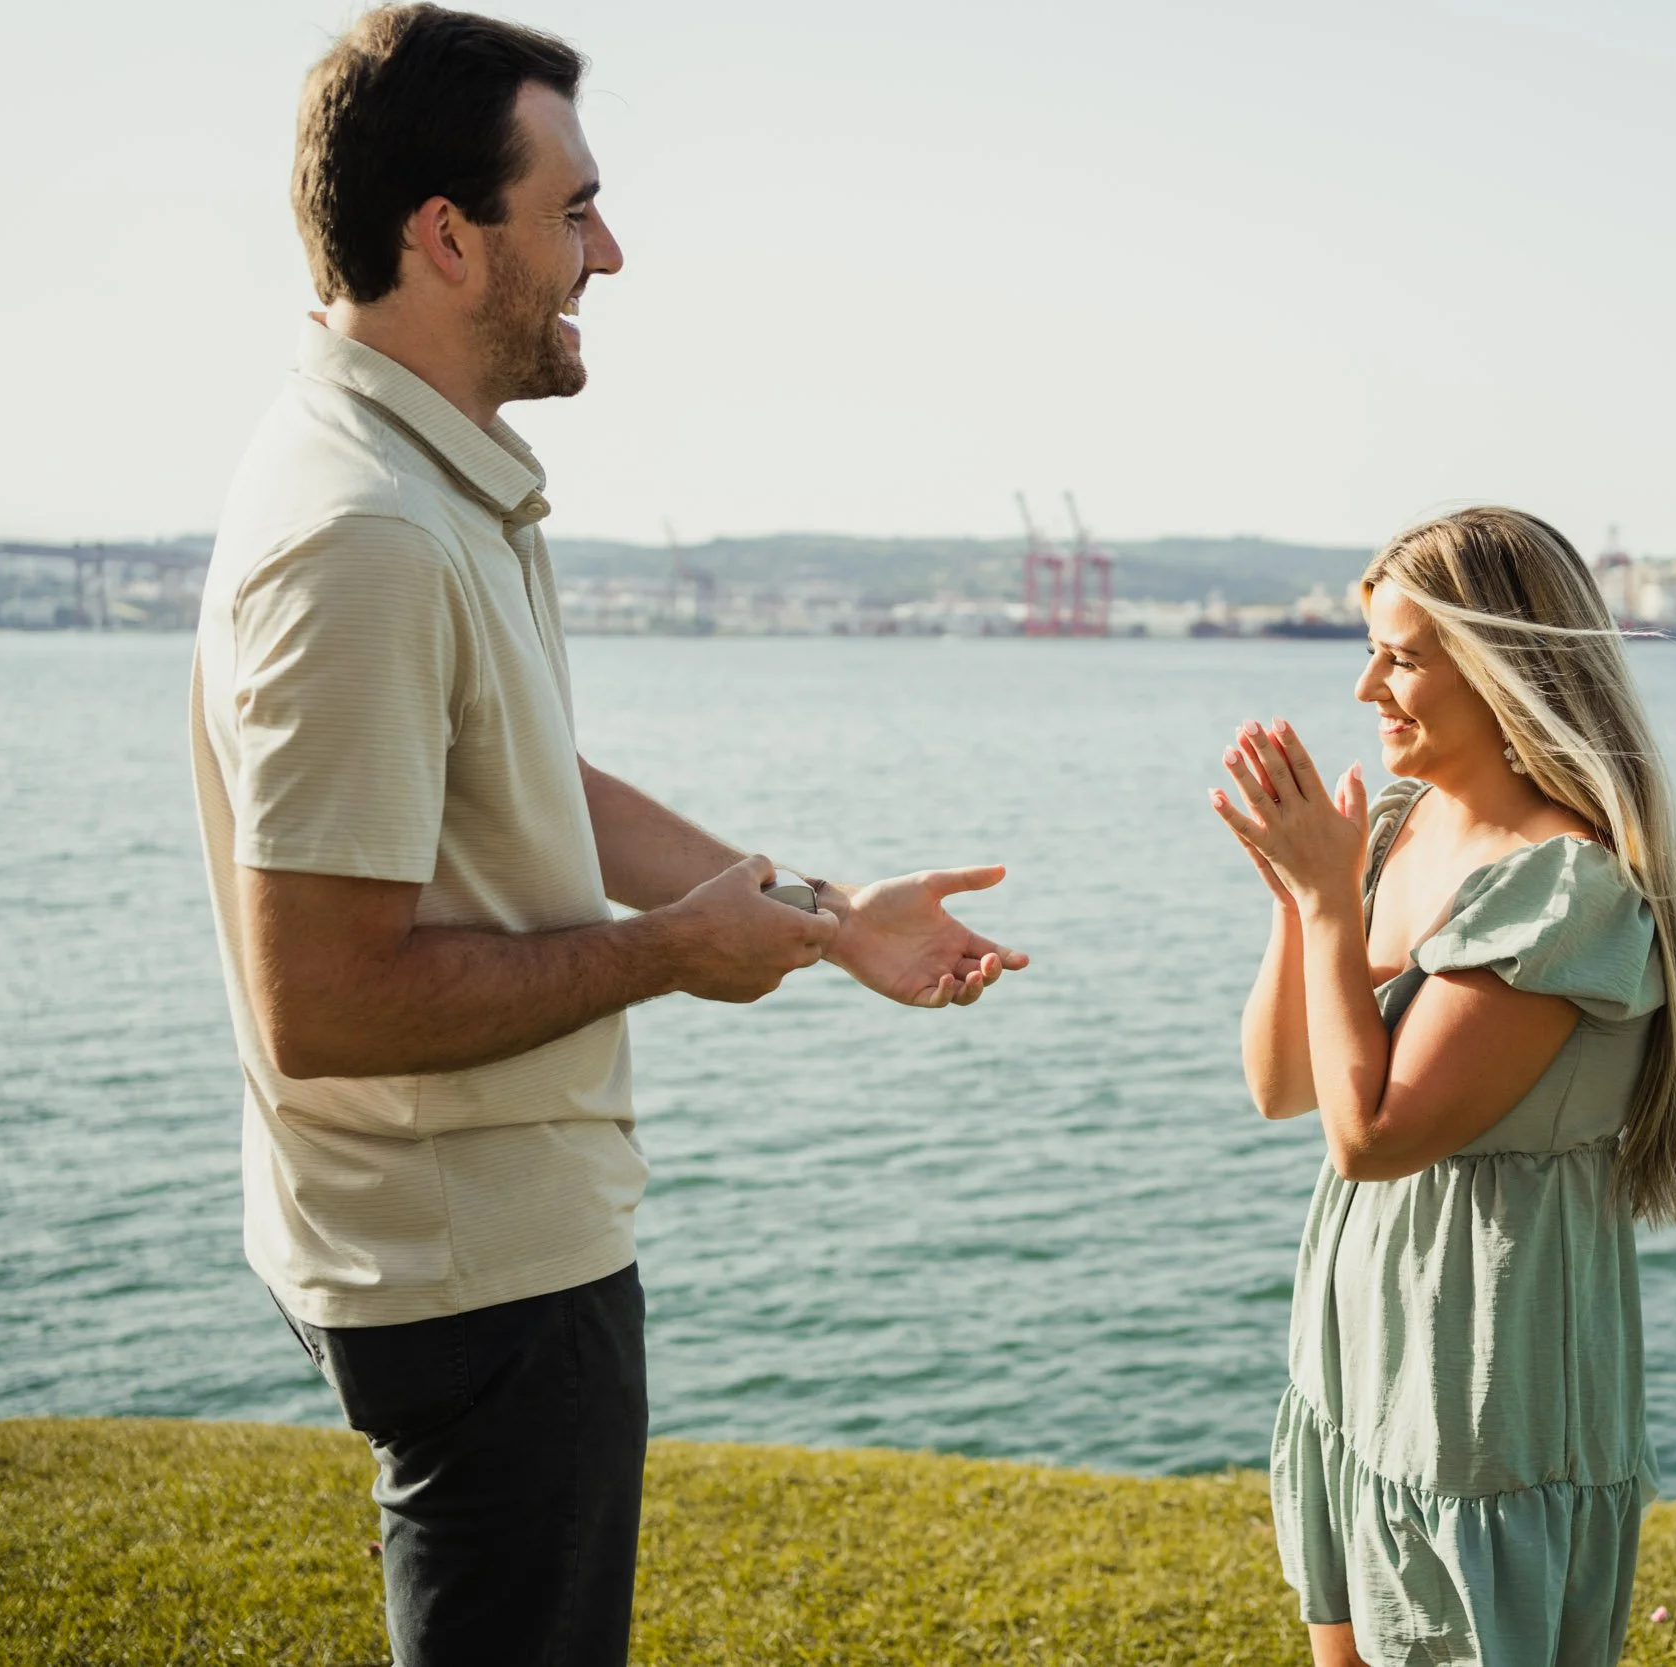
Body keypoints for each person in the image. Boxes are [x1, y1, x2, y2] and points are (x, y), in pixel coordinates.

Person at [188, 8, 1027, 1663]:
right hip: (471, 1268)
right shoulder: (359, 531)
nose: (610, 252)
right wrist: (667, 958)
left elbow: (531, 787)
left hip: (483, 1243)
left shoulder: (422, 486)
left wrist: (827, 908)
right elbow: (326, 1003)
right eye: (572, 209)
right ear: (444, 234)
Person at [1210, 506, 1676, 1667]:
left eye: (1401, 654)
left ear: (1501, 667)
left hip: (1484, 1344)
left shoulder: (1564, 885)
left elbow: (1374, 1134)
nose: (1365, 684)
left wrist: (1331, 905)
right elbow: (1285, 1085)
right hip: (1363, 1315)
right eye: (1370, 648)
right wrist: (1301, 896)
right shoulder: (1395, 827)